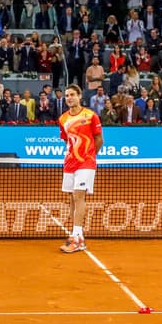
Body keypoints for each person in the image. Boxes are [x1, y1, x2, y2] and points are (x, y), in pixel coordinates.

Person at [57, 83, 102, 254]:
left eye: (72, 95)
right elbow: (66, 140)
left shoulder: (91, 116)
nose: (69, 98)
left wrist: (90, 155)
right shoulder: (63, 119)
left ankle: (76, 237)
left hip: (86, 162)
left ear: (79, 96)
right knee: (72, 199)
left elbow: (99, 139)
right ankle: (79, 237)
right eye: (67, 95)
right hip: (69, 162)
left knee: (78, 196)